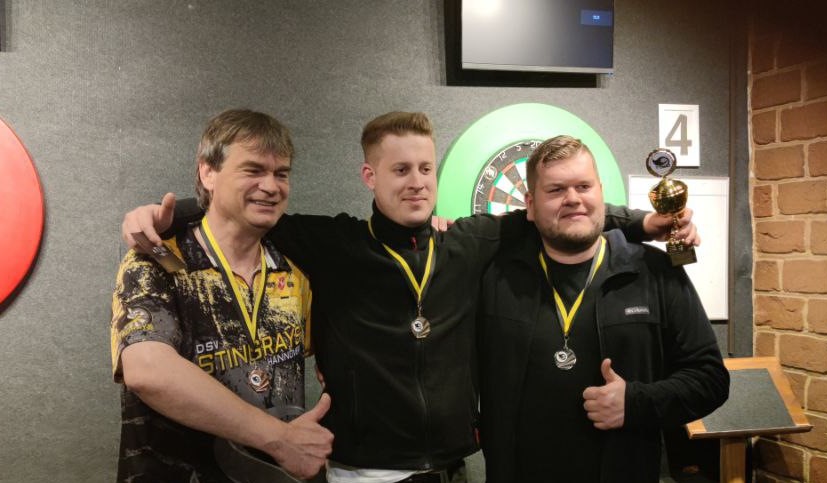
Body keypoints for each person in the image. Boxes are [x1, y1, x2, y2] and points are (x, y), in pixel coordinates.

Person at [121, 112, 698, 483]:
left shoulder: (470, 241)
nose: (417, 181)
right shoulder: (333, 243)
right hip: (358, 471)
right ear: (369, 176)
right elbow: (247, 208)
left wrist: (646, 223)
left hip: (451, 468)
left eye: (425, 167)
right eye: (400, 169)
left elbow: (559, 210)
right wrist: (168, 214)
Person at [477, 135, 729, 483]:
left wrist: (635, 403)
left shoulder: (655, 272)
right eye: (556, 190)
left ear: (600, 193)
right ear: (530, 206)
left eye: (584, 186)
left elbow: (710, 380)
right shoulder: (494, 277)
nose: (573, 199)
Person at [110, 109, 334, 482]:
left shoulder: (294, 267)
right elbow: (148, 371)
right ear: (208, 173)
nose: (271, 186)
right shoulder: (156, 260)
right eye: (253, 170)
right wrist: (280, 439)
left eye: (281, 174)